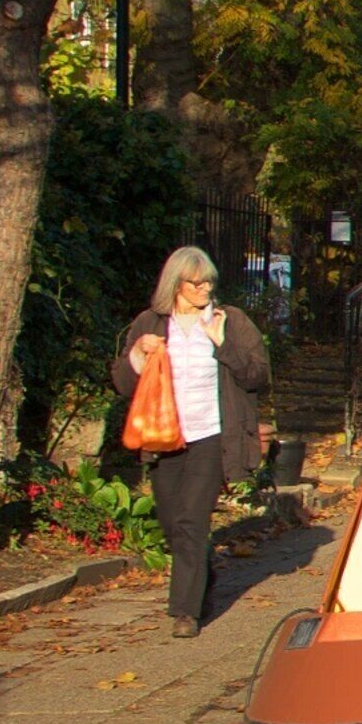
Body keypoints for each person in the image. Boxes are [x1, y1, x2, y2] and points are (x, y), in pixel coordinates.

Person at [115, 247, 270, 638]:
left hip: (211, 435)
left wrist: (223, 345)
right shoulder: (150, 323)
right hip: (163, 435)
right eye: (195, 282)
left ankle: (185, 612)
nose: (204, 288)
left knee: (190, 520)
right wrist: (137, 353)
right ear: (175, 284)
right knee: (171, 523)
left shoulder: (229, 321)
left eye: (209, 282)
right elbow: (121, 383)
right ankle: (203, 574)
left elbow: (257, 376)